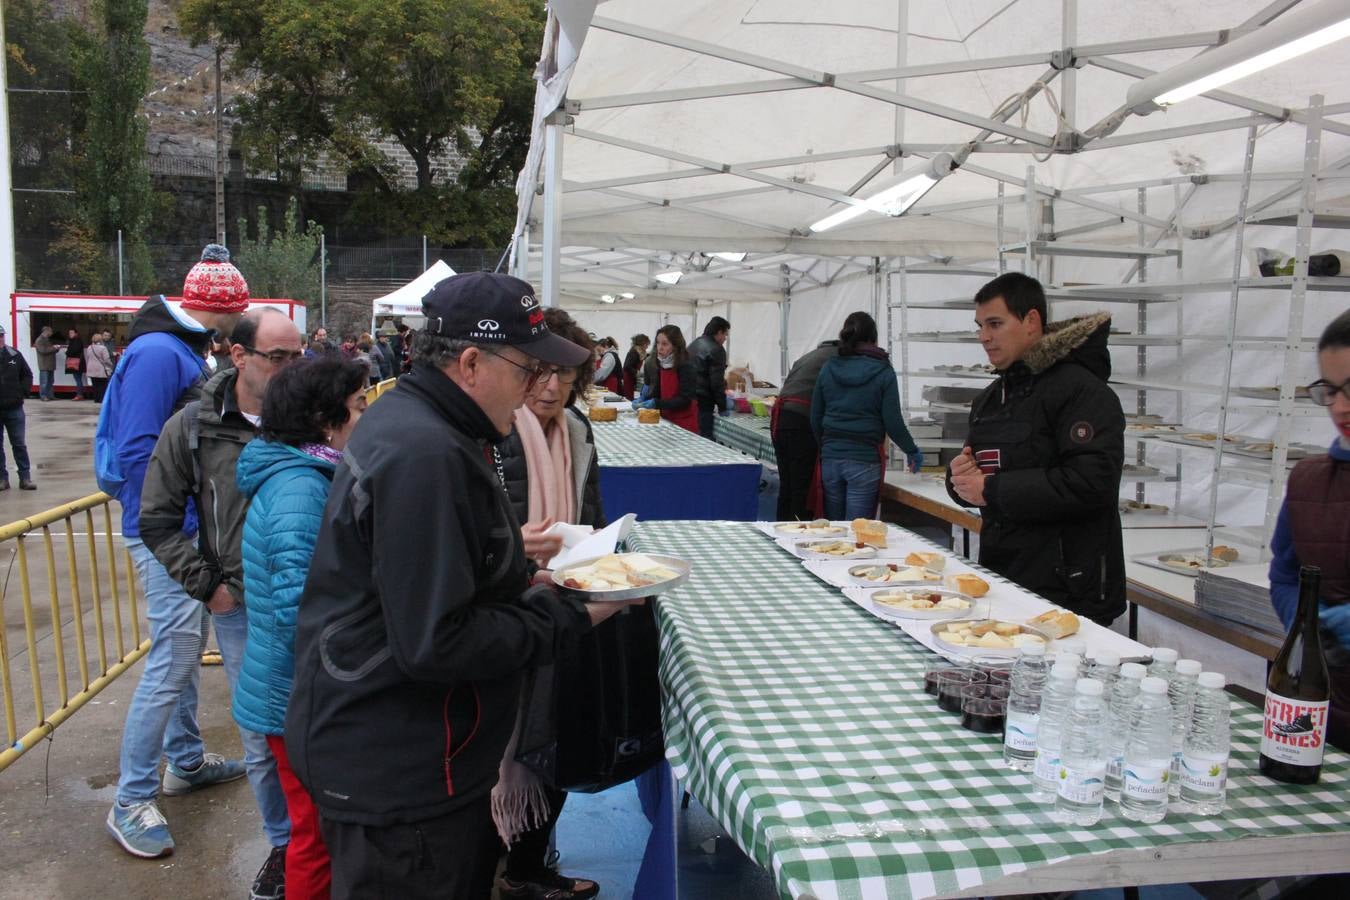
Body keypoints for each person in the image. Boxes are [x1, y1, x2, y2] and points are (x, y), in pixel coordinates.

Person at [285, 272, 636, 899]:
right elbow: (437, 643)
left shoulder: (425, 424)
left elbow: (440, 584)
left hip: (401, 749)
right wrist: (573, 610)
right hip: (402, 770)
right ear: (472, 363)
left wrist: (531, 577)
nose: (538, 389)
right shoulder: (426, 454)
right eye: (529, 370)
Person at [139, 307, 302, 898]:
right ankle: (284, 846)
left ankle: (319, 841)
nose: (291, 368)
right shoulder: (193, 427)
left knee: (321, 727)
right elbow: (155, 519)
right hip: (245, 610)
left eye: (298, 355)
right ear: (239, 355)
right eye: (278, 357)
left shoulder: (312, 418)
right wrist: (210, 586)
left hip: (316, 604)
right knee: (261, 737)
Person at [98, 244, 250, 863]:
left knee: (181, 655)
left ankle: (184, 761)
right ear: (222, 314)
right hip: (168, 533)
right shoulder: (163, 352)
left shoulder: (170, 347)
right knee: (172, 658)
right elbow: (139, 452)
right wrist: (179, 532)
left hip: (175, 529)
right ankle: (130, 798)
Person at [234, 355, 370, 900]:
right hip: (296, 697)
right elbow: (303, 612)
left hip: (297, 693)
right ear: (323, 419)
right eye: (360, 406)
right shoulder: (300, 490)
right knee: (314, 839)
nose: (368, 416)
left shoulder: (310, 473)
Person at [495, 309, 602, 900]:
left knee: (549, 735)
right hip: (504, 610)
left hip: (563, 603)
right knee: (504, 740)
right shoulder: (490, 431)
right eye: (542, 372)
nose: (554, 387)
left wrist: (603, 556)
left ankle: (527, 863)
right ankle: (509, 857)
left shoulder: (579, 431)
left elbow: (592, 512)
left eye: (566, 375)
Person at [945, 272, 1125, 626]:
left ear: (1031, 321)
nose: (984, 337)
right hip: (1004, 577)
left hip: (1070, 588)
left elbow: (1091, 483)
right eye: (980, 325)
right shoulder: (990, 399)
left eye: (995, 324)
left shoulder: (1083, 392)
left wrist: (990, 489)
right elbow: (980, 476)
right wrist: (959, 482)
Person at [1269, 308, 1350, 752]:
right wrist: (1307, 626)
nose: (1339, 406)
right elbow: (1284, 575)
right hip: (1325, 709)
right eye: (1330, 390)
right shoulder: (1310, 481)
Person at [811, 312, 921, 520]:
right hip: (864, 461)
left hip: (831, 458)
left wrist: (826, 445)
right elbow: (893, 422)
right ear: (873, 338)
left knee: (832, 532)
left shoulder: (829, 368)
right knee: (857, 533)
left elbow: (815, 416)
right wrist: (911, 451)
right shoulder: (883, 372)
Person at [771, 337, 839, 520]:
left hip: (780, 417)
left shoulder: (808, 357)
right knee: (802, 486)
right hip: (801, 420)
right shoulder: (838, 359)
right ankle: (798, 531)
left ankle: (781, 528)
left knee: (786, 484)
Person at [634, 325, 698, 433]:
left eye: (665, 344)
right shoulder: (661, 363)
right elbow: (660, 392)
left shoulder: (686, 365)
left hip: (684, 422)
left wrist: (657, 403)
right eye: (658, 343)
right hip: (667, 418)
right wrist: (645, 399)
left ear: (675, 346)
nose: (660, 347)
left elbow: (685, 400)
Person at [0, 324, 36, 490]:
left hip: (14, 407)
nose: (0, 339)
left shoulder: (15, 355)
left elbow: (27, 374)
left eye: (1, 336)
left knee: (19, 443)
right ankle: (2, 479)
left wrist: (22, 392)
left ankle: (25, 477)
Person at [688, 316, 733, 438]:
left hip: (688, 398)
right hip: (704, 402)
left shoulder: (694, 343)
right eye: (725, 335)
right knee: (704, 440)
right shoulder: (717, 350)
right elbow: (716, 382)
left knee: (691, 437)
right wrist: (722, 406)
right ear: (719, 332)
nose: (724, 339)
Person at [84, 332, 115, 404]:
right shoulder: (103, 348)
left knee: (95, 385)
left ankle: (96, 399)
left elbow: (88, 357)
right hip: (100, 369)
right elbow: (106, 359)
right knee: (102, 385)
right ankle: (101, 399)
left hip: (91, 368)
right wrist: (111, 365)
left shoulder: (89, 347)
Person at [622, 333, 649, 400]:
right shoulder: (634, 352)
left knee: (631, 396)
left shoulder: (640, 352)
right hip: (628, 377)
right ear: (642, 343)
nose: (647, 346)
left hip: (632, 377)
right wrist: (638, 373)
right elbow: (627, 366)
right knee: (629, 396)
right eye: (646, 344)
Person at [34, 325, 57, 401]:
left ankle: (50, 395)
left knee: (50, 381)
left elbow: (50, 349)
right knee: (44, 382)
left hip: (50, 364)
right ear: (46, 331)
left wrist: (56, 349)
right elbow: (43, 350)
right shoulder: (39, 340)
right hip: (44, 365)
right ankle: (43, 396)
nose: (51, 333)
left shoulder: (48, 339)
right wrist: (54, 348)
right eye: (51, 331)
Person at [65, 328, 87, 400]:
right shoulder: (76, 340)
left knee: (78, 379)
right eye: (69, 333)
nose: (70, 334)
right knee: (78, 379)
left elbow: (74, 351)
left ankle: (79, 394)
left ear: (76, 333)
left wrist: (67, 352)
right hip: (78, 363)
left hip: (77, 363)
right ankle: (80, 394)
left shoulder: (76, 341)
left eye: (72, 333)